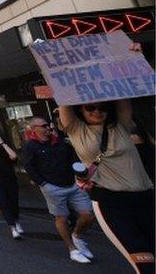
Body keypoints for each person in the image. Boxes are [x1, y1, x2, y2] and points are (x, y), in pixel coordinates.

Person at [60, 100, 155, 273]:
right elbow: (64, 97)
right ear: (80, 109)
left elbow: (121, 96)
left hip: (146, 199)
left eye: (103, 107)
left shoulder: (120, 125)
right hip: (112, 204)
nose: (97, 111)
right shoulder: (76, 129)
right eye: (90, 107)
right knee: (146, 265)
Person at [21, 116, 95, 264]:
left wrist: (81, 175)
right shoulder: (30, 146)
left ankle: (77, 236)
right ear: (34, 129)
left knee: (88, 215)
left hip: (73, 184)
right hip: (52, 187)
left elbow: (74, 159)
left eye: (49, 125)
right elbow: (29, 167)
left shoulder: (61, 142)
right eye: (44, 125)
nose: (48, 128)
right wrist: (43, 184)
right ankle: (72, 249)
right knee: (61, 218)